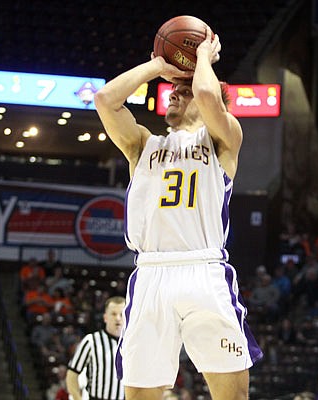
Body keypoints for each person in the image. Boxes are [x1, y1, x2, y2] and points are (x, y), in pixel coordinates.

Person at [94, 23, 262, 400]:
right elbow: (106, 99)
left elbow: (206, 90)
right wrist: (158, 65)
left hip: (204, 268)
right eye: (173, 90)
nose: (174, 95)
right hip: (152, 271)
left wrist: (202, 56)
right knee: (139, 395)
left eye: (182, 92)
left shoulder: (224, 137)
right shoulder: (142, 145)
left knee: (232, 395)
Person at [66, 296, 125, 400]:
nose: (118, 318)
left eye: (122, 314)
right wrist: (77, 398)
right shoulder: (91, 341)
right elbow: (72, 374)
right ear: (105, 317)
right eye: (114, 314)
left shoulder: (132, 344)